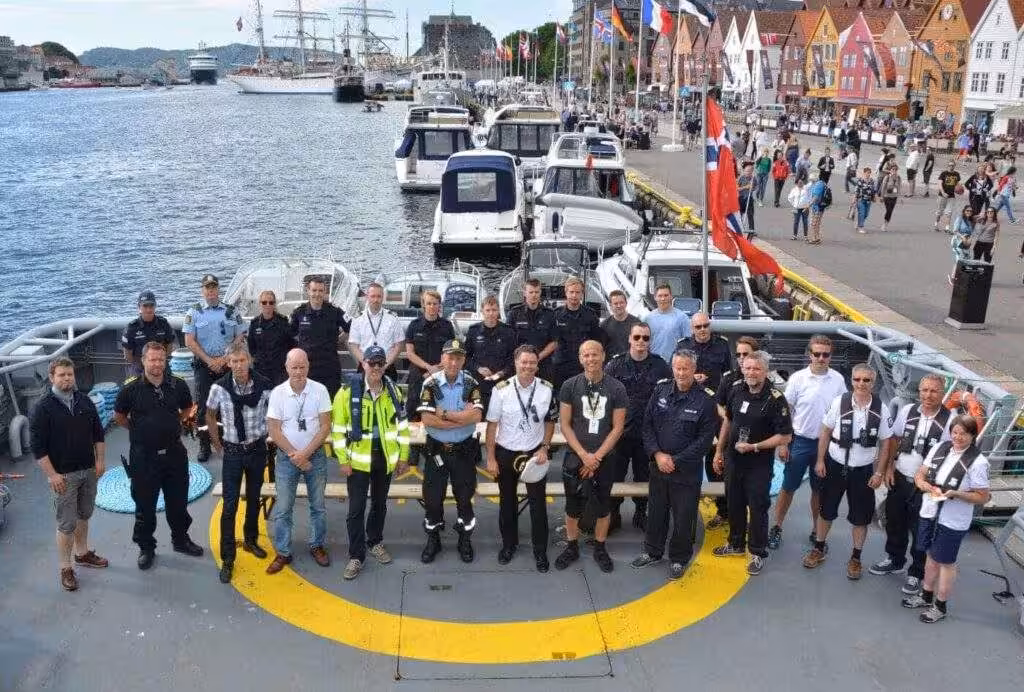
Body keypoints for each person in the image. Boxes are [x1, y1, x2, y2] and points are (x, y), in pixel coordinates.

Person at [113, 342, 204, 570]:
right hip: (144, 457)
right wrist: (141, 431)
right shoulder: (130, 389)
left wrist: (171, 424)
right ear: (143, 361)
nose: (157, 364)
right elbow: (120, 417)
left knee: (178, 502)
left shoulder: (178, 385)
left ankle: (180, 540)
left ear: (166, 361)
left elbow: (187, 409)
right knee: (144, 506)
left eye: (161, 359)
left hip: (174, 454)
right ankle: (146, 547)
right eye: (152, 359)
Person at [630, 349, 718, 579]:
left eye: (685, 368)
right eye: (677, 368)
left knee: (683, 517)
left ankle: (679, 559)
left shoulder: (706, 400)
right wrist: (657, 455)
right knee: (656, 513)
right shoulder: (660, 390)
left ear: (694, 369)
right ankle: (653, 551)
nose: (680, 373)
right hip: (658, 467)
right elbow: (647, 425)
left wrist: (675, 460)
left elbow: (705, 440)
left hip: (686, 472)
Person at [803, 364, 892, 580]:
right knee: (826, 511)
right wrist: (820, 460)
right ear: (851, 380)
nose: (861, 384)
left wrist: (879, 473)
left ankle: (856, 557)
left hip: (863, 471)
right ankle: (819, 547)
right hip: (835, 465)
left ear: (873, 382)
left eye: (866, 380)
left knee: (861, 518)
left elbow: (886, 442)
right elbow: (826, 431)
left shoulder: (881, 409)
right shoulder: (839, 403)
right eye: (857, 379)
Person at [901, 415, 991, 623]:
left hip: (953, 520)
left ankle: (940, 606)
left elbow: (982, 496)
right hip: (931, 512)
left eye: (964, 434)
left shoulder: (978, 463)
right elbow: (920, 474)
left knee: (946, 562)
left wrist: (956, 494)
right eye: (955, 432)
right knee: (931, 555)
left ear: (973, 436)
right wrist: (923, 484)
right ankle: (926, 595)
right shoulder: (940, 448)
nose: (958, 437)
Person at [331, 345, 410, 580]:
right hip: (357, 463)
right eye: (371, 363)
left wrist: (403, 456)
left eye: (380, 363)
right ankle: (356, 555)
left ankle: (375, 541)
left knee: (379, 505)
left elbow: (402, 426)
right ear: (363, 364)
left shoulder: (394, 391)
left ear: (385, 365)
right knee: (356, 509)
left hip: (384, 460)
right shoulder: (346, 393)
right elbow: (337, 430)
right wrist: (343, 459)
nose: (376, 367)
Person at [711, 351, 792, 576]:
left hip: (758, 463)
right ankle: (736, 544)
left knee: (757, 507)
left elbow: (785, 436)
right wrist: (719, 450)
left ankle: (757, 552)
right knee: (734, 503)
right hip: (734, 460)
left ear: (765, 371)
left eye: (756, 368)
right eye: (747, 368)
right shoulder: (736, 390)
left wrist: (755, 446)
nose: (751, 372)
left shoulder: (776, 399)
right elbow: (728, 421)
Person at [30, 357, 107, 591]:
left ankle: (82, 554)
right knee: (66, 523)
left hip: (88, 470)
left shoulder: (84, 401)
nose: (66, 379)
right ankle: (65, 568)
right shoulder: (43, 408)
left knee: (84, 514)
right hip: (63, 476)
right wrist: (52, 475)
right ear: (52, 377)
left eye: (70, 374)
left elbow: (98, 434)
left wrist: (99, 461)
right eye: (61, 375)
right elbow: (38, 448)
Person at [871, 375, 952, 595]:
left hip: (926, 486)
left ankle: (916, 572)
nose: (928, 395)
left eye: (933, 391)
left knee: (920, 530)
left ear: (942, 393)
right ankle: (895, 559)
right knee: (895, 521)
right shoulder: (908, 411)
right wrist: (889, 468)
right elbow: (895, 439)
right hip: (900, 478)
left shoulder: (950, 420)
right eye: (924, 390)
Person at [555, 340, 627, 573]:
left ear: (603, 356)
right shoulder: (569, 385)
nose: (591, 359)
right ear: (580, 358)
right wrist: (584, 455)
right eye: (586, 355)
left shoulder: (616, 388)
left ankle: (600, 546)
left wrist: (596, 457)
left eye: (595, 354)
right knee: (572, 505)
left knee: (604, 505)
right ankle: (572, 546)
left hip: (604, 456)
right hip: (577, 455)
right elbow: (565, 424)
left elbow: (617, 427)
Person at [769, 335, 846, 551]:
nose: (821, 358)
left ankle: (816, 530)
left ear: (830, 356)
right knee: (788, 486)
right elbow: (786, 411)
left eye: (825, 354)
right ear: (809, 355)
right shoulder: (798, 379)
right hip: (800, 441)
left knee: (819, 490)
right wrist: (783, 443)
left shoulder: (838, 380)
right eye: (817, 354)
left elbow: (842, 413)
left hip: (826, 445)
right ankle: (777, 526)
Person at [205, 343, 273, 584]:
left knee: (254, 499)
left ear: (249, 361)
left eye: (242, 360)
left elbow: (274, 412)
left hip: (257, 449)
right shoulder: (219, 388)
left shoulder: (265, 385)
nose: (238, 365)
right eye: (233, 361)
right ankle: (228, 558)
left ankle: (251, 540)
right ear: (228, 363)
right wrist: (217, 445)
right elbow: (210, 415)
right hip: (232, 451)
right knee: (230, 506)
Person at [485, 345, 557, 571]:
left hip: (534, 454)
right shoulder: (501, 389)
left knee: (538, 506)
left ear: (537, 364)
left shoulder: (547, 389)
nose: (528, 366)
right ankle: (509, 545)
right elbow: (492, 425)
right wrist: (491, 458)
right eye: (523, 362)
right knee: (507, 503)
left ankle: (540, 551)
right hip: (506, 453)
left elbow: (550, 421)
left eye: (532, 362)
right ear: (515, 363)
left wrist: (545, 447)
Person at [265, 349, 333, 575]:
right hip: (287, 459)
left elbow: (325, 426)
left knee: (318, 507)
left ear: (308, 367)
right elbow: (274, 430)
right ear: (286, 368)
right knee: (283, 508)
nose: (298, 372)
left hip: (315, 457)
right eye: (294, 367)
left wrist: (305, 455)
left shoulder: (320, 390)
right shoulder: (278, 393)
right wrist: (296, 455)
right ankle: (283, 551)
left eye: (302, 367)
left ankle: (317, 545)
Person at [417, 339, 484, 563]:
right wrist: (461, 419)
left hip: (464, 450)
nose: (454, 362)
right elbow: (427, 419)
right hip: (436, 450)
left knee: (464, 498)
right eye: (450, 357)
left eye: (458, 358)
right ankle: (433, 539)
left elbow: (476, 416)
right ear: (442, 358)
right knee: (433, 498)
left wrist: (444, 414)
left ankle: (465, 539)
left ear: (464, 360)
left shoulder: (471, 383)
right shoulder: (430, 383)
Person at [605, 322, 671, 532]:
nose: (641, 341)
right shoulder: (615, 365)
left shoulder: (661, 366)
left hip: (647, 435)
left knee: (644, 476)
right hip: (619, 433)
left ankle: (640, 513)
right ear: (629, 339)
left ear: (650, 341)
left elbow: (668, 397)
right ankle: (614, 514)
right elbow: (605, 397)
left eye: (645, 337)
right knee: (615, 475)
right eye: (637, 337)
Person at [184, 274, 246, 463]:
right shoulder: (194, 312)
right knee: (204, 407)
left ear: (218, 289)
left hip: (227, 365)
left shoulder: (231, 311)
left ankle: (228, 442)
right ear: (202, 290)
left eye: (213, 287)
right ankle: (205, 445)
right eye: (207, 288)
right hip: (204, 366)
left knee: (229, 404)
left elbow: (240, 336)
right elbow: (189, 341)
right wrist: (209, 360)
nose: (211, 291)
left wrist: (224, 358)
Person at [290, 277, 351, 399]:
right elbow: (290, 334)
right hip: (307, 368)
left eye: (320, 290)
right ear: (308, 291)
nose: (317, 294)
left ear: (325, 292)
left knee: (331, 402)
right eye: (314, 290)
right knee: (307, 402)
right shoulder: (299, 312)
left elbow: (350, 328)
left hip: (329, 367)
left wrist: (337, 340)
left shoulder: (334, 311)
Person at [405, 289, 458, 427]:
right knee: (414, 412)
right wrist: (428, 368)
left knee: (439, 411)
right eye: (429, 303)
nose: (432, 306)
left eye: (435, 303)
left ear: (439, 305)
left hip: (440, 374)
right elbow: (410, 353)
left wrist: (436, 370)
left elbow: (450, 353)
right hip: (418, 375)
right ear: (423, 304)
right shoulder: (414, 326)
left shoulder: (447, 326)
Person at [464, 295, 517, 411]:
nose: (491, 313)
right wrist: (478, 368)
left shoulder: (508, 331)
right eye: (488, 310)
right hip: (479, 383)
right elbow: (465, 358)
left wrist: (502, 373)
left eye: (494, 310)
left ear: (498, 311)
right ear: (482, 311)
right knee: (479, 414)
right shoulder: (473, 331)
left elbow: (514, 359)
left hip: (502, 383)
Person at [551, 277, 604, 389]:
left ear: (582, 294)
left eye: (577, 292)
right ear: (566, 293)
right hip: (561, 366)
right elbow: (550, 341)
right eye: (571, 292)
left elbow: (596, 341)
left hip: (583, 365)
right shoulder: (555, 315)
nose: (574, 295)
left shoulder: (590, 315)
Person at [347, 282, 404, 381]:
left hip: (387, 367)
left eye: (379, 296)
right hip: (365, 367)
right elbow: (353, 345)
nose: (376, 300)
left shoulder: (392, 318)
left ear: (383, 297)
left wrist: (386, 364)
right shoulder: (358, 319)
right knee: (364, 391)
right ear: (367, 297)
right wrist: (365, 363)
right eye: (373, 296)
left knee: (389, 391)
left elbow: (399, 344)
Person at [507, 278, 558, 382]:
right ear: (524, 293)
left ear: (540, 293)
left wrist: (537, 357)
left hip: (543, 364)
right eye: (531, 292)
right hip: (521, 364)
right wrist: (524, 359)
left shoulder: (550, 314)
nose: (534, 295)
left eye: (536, 292)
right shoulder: (514, 314)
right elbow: (508, 341)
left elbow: (554, 342)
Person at [246, 290, 294, 385]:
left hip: (280, 371)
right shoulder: (255, 324)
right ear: (260, 304)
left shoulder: (283, 322)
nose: (267, 305)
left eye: (271, 302)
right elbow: (251, 347)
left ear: (274, 304)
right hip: (261, 370)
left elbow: (291, 344)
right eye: (264, 302)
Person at [121, 290, 174, 376]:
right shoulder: (132, 328)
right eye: (145, 306)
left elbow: (169, 346)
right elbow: (128, 355)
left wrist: (158, 362)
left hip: (160, 365)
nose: (148, 309)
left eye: (151, 305)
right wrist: (145, 365)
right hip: (139, 368)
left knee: (171, 382)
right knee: (135, 383)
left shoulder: (163, 324)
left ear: (155, 306)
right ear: (139, 307)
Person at [644, 284, 692, 363]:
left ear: (671, 296)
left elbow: (688, 342)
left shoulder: (682, 318)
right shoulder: (647, 319)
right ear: (655, 297)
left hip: (674, 364)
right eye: (660, 296)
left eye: (666, 295)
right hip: (653, 363)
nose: (663, 299)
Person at [600, 290, 640, 359]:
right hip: (611, 363)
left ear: (626, 303)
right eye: (615, 303)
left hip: (631, 362)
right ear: (610, 305)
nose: (619, 306)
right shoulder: (604, 325)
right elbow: (601, 348)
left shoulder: (636, 323)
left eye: (621, 303)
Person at [948, 205, 976, 284]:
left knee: (966, 259)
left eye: (970, 211)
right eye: (967, 210)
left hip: (966, 243)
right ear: (964, 211)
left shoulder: (970, 221)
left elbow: (971, 233)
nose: (969, 212)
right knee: (959, 260)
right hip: (957, 241)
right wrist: (962, 237)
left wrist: (970, 239)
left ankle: (962, 277)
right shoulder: (960, 218)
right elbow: (955, 231)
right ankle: (953, 277)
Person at [934, 161, 962, 232]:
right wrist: (943, 192)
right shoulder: (944, 173)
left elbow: (958, 184)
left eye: (952, 165)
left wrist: (960, 189)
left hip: (951, 195)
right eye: (950, 165)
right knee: (939, 211)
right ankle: (936, 224)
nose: (951, 166)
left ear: (954, 166)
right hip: (942, 195)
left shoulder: (957, 174)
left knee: (949, 212)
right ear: (948, 166)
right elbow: (940, 183)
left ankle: (947, 228)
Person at [878, 161, 902, 232]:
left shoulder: (899, 178)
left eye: (896, 169)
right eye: (893, 169)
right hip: (887, 196)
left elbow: (899, 188)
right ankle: (885, 223)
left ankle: (885, 224)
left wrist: (900, 197)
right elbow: (883, 187)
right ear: (890, 170)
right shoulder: (887, 177)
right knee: (888, 210)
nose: (894, 171)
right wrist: (881, 196)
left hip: (894, 197)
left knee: (890, 211)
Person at [852, 166, 877, 234]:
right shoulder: (860, 180)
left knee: (866, 214)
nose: (868, 174)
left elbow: (874, 190)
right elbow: (856, 190)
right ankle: (861, 227)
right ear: (864, 173)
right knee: (862, 213)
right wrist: (854, 198)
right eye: (867, 173)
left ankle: (858, 223)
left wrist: (874, 197)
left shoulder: (871, 181)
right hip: (861, 199)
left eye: (869, 173)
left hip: (868, 200)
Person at [738, 161, 757, 239]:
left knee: (750, 214)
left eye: (749, 171)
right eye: (746, 171)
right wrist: (745, 187)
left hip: (749, 198)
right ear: (744, 171)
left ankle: (751, 230)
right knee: (739, 214)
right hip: (741, 198)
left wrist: (752, 187)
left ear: (752, 171)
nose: (748, 172)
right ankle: (739, 227)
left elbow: (755, 187)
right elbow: (737, 188)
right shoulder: (741, 178)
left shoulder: (753, 178)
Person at [788, 176, 811, 241]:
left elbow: (810, 196)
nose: (800, 184)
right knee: (796, 221)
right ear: (797, 183)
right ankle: (794, 236)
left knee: (805, 222)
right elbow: (790, 198)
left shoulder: (806, 189)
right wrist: (794, 204)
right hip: (796, 208)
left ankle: (805, 236)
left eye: (801, 182)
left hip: (805, 208)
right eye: (799, 183)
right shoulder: (794, 190)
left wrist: (808, 204)